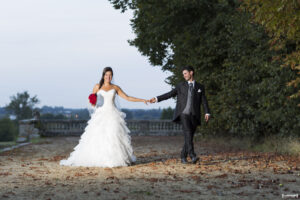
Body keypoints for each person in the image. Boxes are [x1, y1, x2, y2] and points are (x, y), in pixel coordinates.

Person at [60, 67, 149, 167]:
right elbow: (91, 102)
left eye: (110, 75)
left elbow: (127, 97)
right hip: (100, 114)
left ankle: (114, 159)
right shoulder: (97, 86)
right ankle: (98, 158)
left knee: (113, 136)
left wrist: (142, 100)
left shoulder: (115, 88)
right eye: (106, 75)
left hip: (113, 114)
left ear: (112, 76)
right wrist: (93, 102)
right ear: (103, 75)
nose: (108, 77)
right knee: (98, 136)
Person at [149, 66, 210, 164]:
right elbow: (169, 94)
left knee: (189, 137)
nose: (184, 76)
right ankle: (192, 155)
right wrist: (156, 99)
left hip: (194, 115)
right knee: (188, 133)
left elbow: (204, 101)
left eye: (185, 73)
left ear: (191, 73)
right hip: (183, 114)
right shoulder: (180, 86)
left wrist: (207, 112)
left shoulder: (200, 87)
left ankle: (183, 156)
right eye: (183, 74)